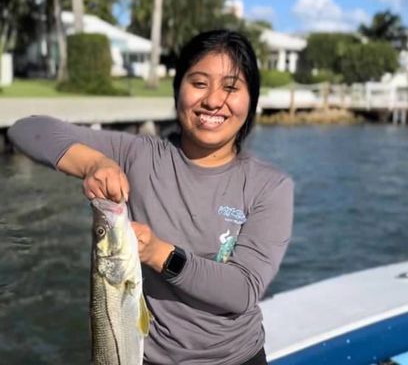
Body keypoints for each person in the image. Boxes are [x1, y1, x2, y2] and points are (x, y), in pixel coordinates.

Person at [7, 29, 294, 365]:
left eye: (231, 88)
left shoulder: (269, 186)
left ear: (251, 99)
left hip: (236, 358)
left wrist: (160, 253)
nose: (213, 100)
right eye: (199, 83)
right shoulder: (138, 154)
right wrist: (94, 162)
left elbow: (242, 290)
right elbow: (26, 129)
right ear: (178, 91)